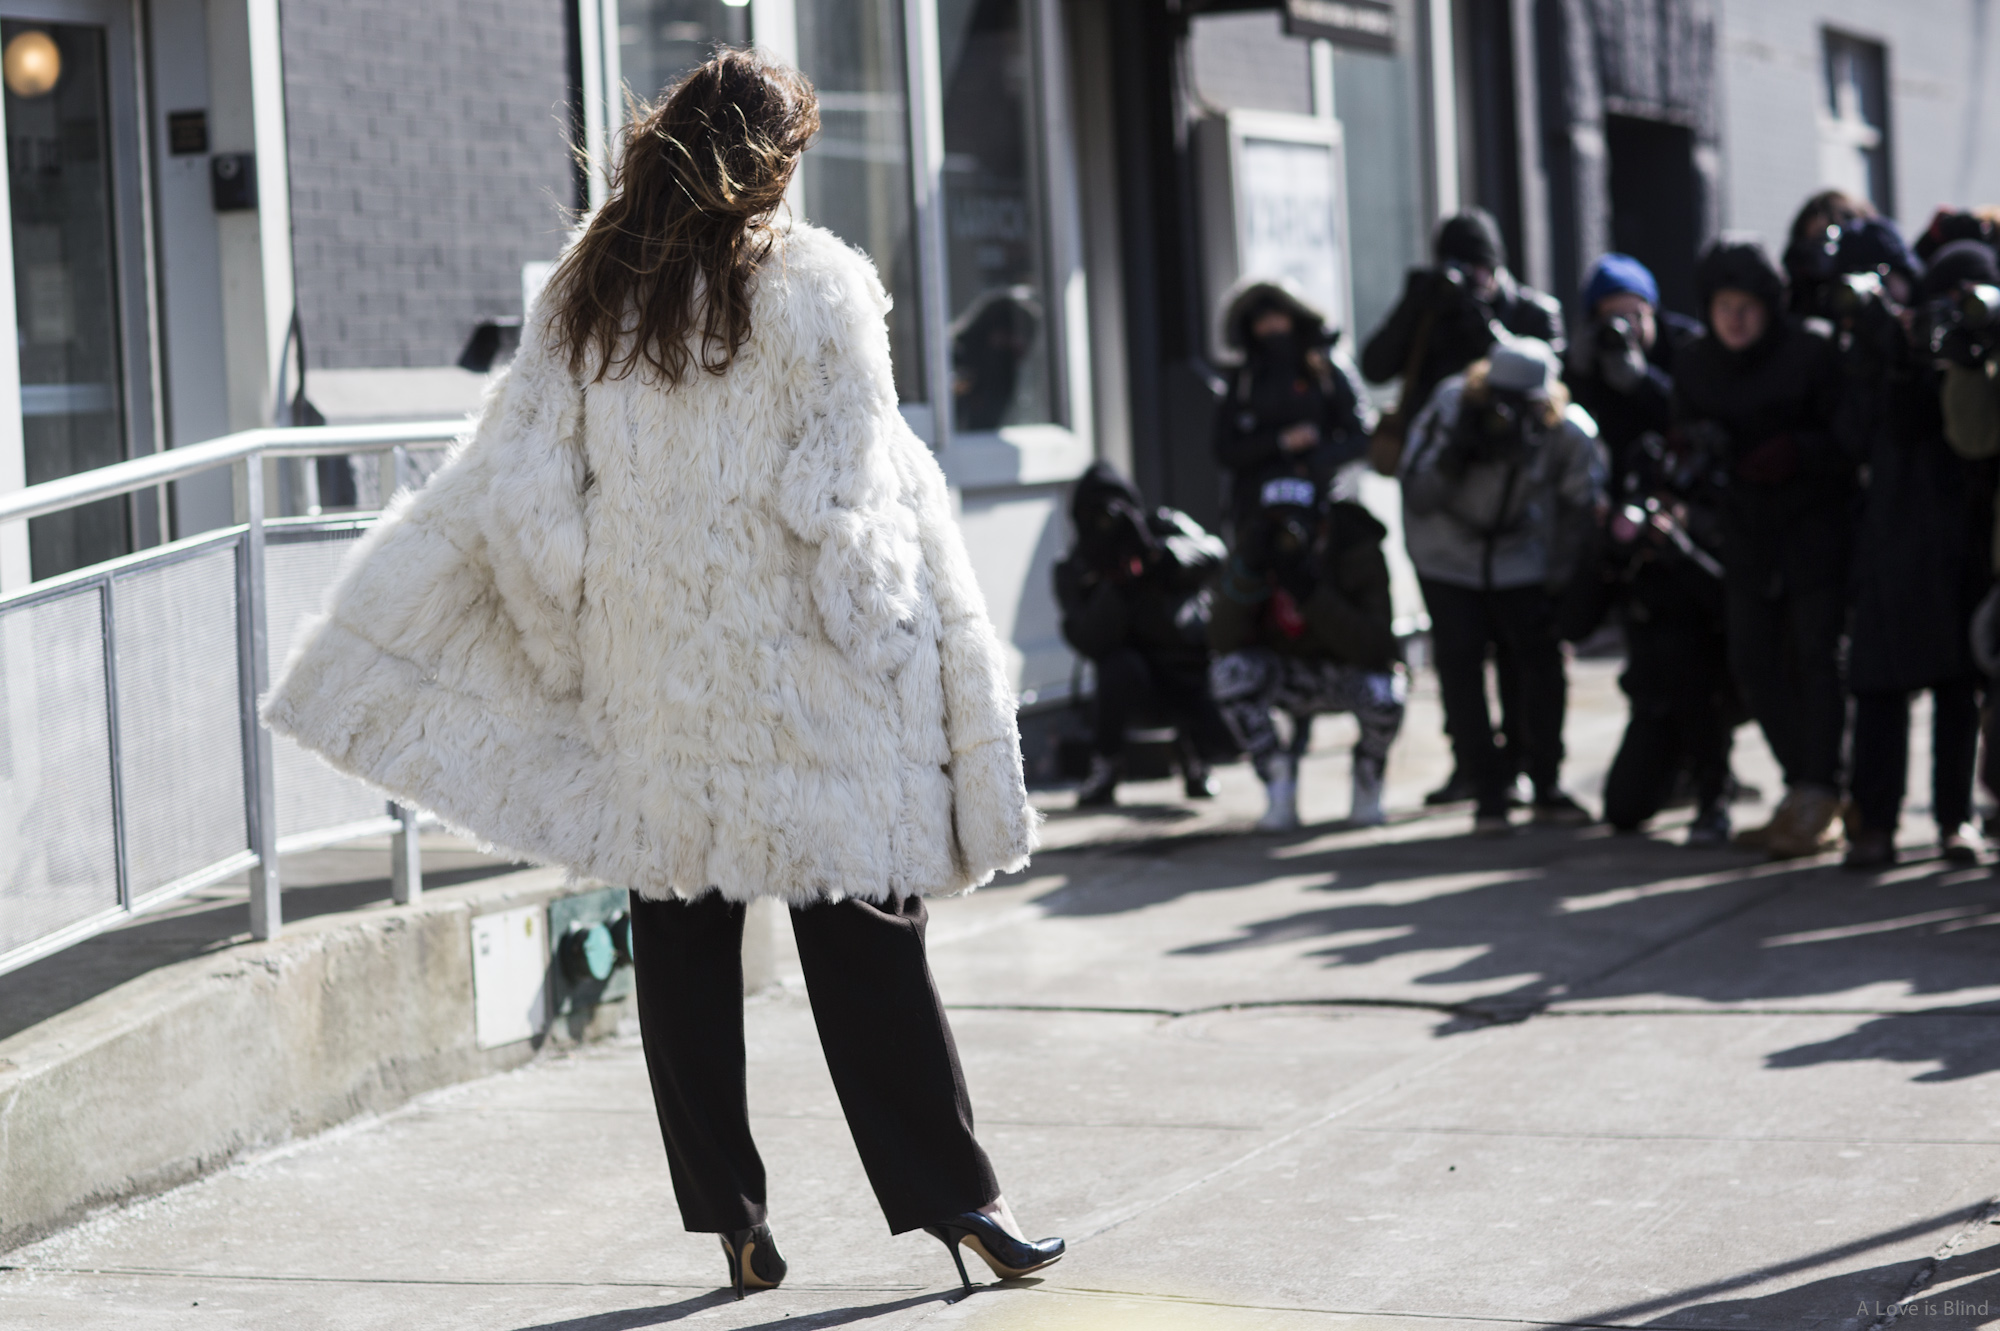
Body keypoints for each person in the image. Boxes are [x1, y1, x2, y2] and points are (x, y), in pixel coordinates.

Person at [259, 52, 1061, 1299]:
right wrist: (903, 652)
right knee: (865, 932)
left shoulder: (592, 292)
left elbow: (525, 491)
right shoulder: (820, 289)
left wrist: (570, 640)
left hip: (657, 681)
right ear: (771, 161)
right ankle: (962, 1204)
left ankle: (731, 1220)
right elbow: (852, 510)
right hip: (800, 679)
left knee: (681, 935)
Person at [1362, 210, 1565, 806]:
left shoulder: (1531, 311)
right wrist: (1415, 306)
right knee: (1457, 647)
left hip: (1515, 508)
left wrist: (1480, 322)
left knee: (1521, 648)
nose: (1467, 278)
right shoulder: (1428, 305)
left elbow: (1550, 379)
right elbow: (1377, 366)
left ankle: (1526, 762)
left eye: (1478, 268)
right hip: (1441, 506)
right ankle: (1473, 765)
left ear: (1497, 267)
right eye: (1457, 268)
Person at [1673, 239, 1850, 860]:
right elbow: (1682, 437)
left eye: (1747, 305)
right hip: (1744, 535)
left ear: (1769, 307)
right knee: (1751, 661)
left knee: (1817, 656)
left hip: (1812, 530)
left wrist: (1800, 452)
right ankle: (1806, 783)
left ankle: (1822, 787)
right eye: (1724, 305)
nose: (1735, 319)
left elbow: (1851, 437)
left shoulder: (1812, 352)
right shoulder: (1696, 364)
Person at [1400, 337, 1607, 835]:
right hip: (1445, 551)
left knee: (1538, 660)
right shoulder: (1452, 405)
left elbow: (1582, 505)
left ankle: (1544, 778)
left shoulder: (1563, 430)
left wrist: (1559, 578)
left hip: (1520, 553)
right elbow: (1417, 490)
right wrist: (1456, 456)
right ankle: (1486, 787)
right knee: (1460, 662)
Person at [1848, 234, 2000, 867]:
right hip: (1891, 546)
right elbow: (1859, 432)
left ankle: (1954, 819)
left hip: (1964, 549)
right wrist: (1897, 354)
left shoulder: (1986, 363)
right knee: (1879, 689)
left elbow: (1976, 443)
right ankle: (1874, 825)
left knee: (1956, 689)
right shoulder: (1891, 357)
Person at [1209, 474, 1405, 831]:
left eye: (1295, 523)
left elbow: (1376, 648)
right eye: (1276, 522)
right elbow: (1220, 639)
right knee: (1230, 673)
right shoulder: (1256, 550)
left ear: (1322, 522)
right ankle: (1277, 781)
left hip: (1345, 671)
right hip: (1287, 675)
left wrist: (1310, 591)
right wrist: (1247, 574)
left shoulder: (1356, 550)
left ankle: (1368, 775)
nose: (1285, 533)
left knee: (1386, 691)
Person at [1054, 462, 1233, 805]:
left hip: (1186, 668)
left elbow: (1214, 552)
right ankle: (1105, 765)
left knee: (1229, 738)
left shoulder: (1163, 527)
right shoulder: (1076, 567)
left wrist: (1159, 557)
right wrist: (1115, 584)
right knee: (1118, 667)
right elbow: (1086, 638)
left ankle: (1197, 760)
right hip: (1135, 684)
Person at [1212, 278, 1373, 526]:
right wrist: (1280, 442)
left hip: (1326, 500)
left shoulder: (1327, 367)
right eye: (1261, 320)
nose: (1271, 326)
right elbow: (1225, 448)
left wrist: (1314, 461)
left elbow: (1361, 435)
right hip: (1257, 510)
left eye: (1277, 316)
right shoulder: (1244, 379)